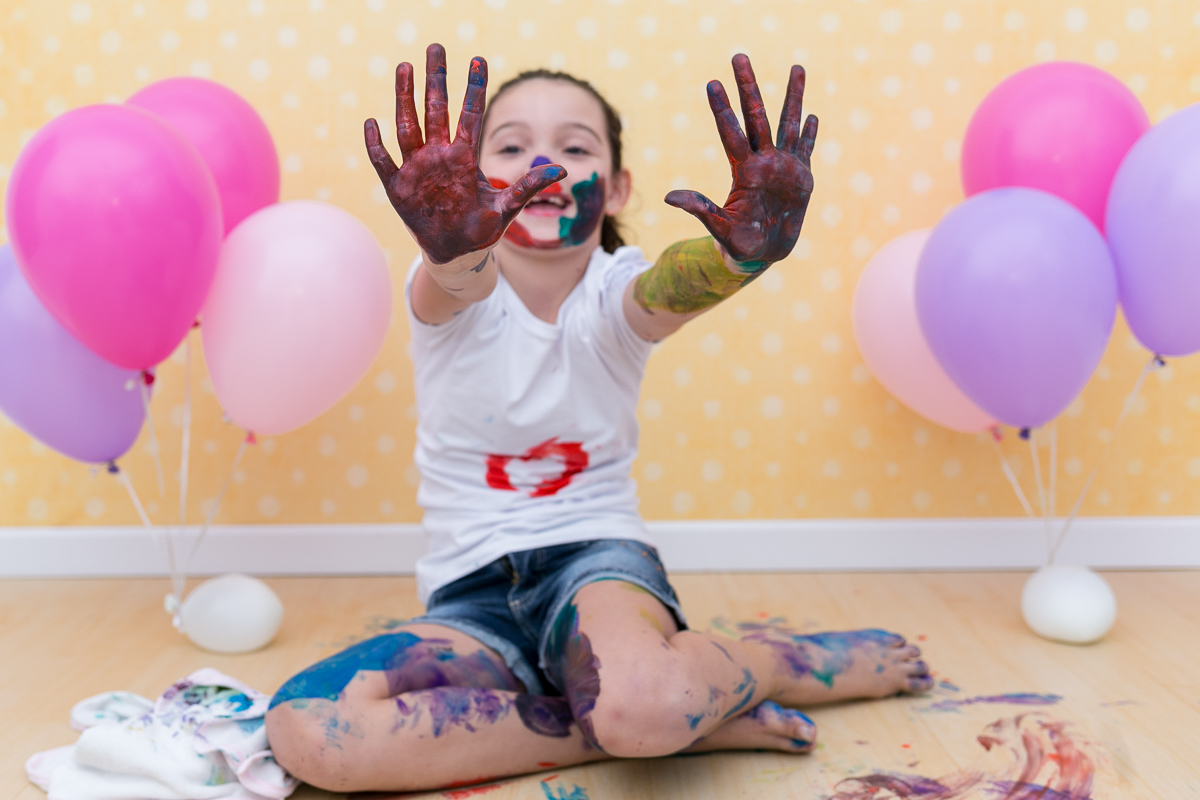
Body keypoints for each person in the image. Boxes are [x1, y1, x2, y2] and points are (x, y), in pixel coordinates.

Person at [264, 43, 933, 793]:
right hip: (471, 601)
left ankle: (777, 661)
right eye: (511, 146)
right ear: (470, 183)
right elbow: (458, 278)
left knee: (641, 702)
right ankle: (653, 726)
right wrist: (451, 248)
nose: (541, 163)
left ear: (615, 188)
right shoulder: (446, 290)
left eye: (573, 147)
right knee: (310, 726)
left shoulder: (615, 297)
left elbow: (662, 291)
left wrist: (735, 261)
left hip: (594, 569)